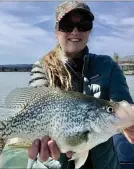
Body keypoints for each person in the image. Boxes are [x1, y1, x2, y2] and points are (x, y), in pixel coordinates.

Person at [27, 0, 134, 169]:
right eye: (67, 25)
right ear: (56, 31)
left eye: (83, 25)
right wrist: (37, 140)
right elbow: (36, 99)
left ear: (89, 30)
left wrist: (129, 123)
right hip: (52, 163)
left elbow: (123, 106)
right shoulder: (42, 67)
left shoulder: (107, 66)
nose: (75, 31)